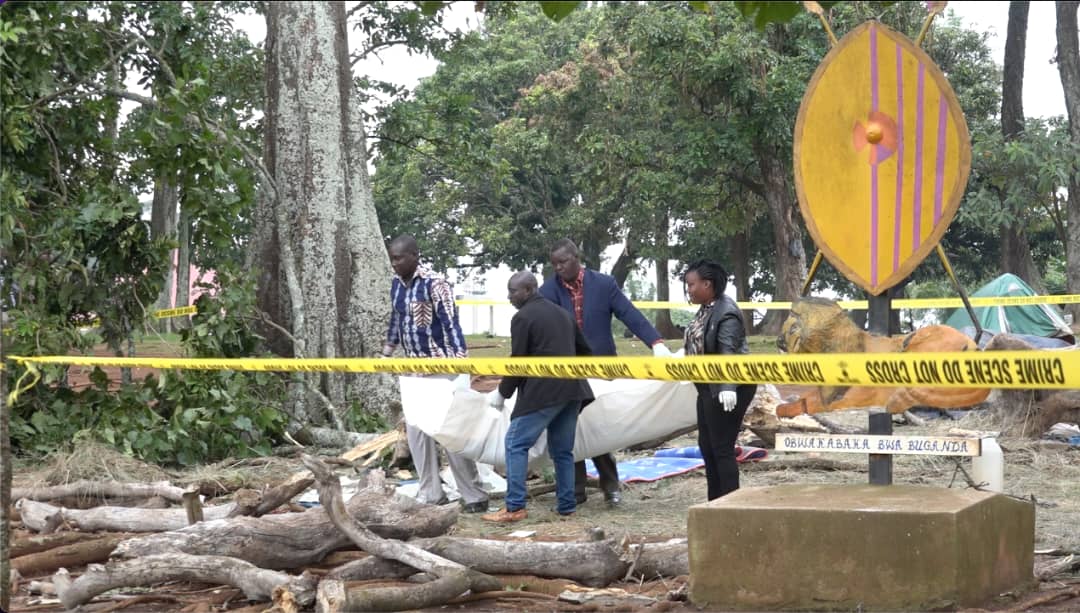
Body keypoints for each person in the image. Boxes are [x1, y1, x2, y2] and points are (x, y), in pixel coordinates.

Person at [539, 238, 673, 507]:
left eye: (563, 262)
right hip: (567, 371)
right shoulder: (548, 291)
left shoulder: (603, 284)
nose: (559, 268)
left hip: (601, 369)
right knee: (571, 429)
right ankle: (575, 490)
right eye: (554, 264)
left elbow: (629, 314)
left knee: (599, 426)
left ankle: (610, 484)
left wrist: (656, 343)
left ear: (577, 258)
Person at [383, 235, 489, 513]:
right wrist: (387, 352)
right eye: (392, 258)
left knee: (451, 433)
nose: (394, 264)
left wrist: (459, 366)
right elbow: (396, 320)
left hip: (442, 371)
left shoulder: (435, 283)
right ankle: (431, 493)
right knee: (418, 432)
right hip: (413, 372)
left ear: (415, 256)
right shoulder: (396, 284)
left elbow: (451, 324)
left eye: (399, 258)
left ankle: (474, 495)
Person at [482, 271, 594, 523]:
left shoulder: (522, 317)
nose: (509, 296)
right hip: (573, 390)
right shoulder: (563, 313)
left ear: (529, 290)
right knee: (563, 451)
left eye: (513, 291)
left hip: (545, 392)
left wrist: (502, 393)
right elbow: (586, 351)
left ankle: (514, 507)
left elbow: (519, 361)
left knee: (514, 443)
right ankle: (566, 506)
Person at [682, 259, 757, 500]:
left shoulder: (727, 313)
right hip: (707, 387)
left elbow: (728, 352)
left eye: (691, 285)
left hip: (729, 387)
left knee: (721, 448)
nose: (688, 290)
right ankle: (714, 503)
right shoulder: (707, 308)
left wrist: (728, 387)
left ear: (707, 284)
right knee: (707, 447)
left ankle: (730, 506)